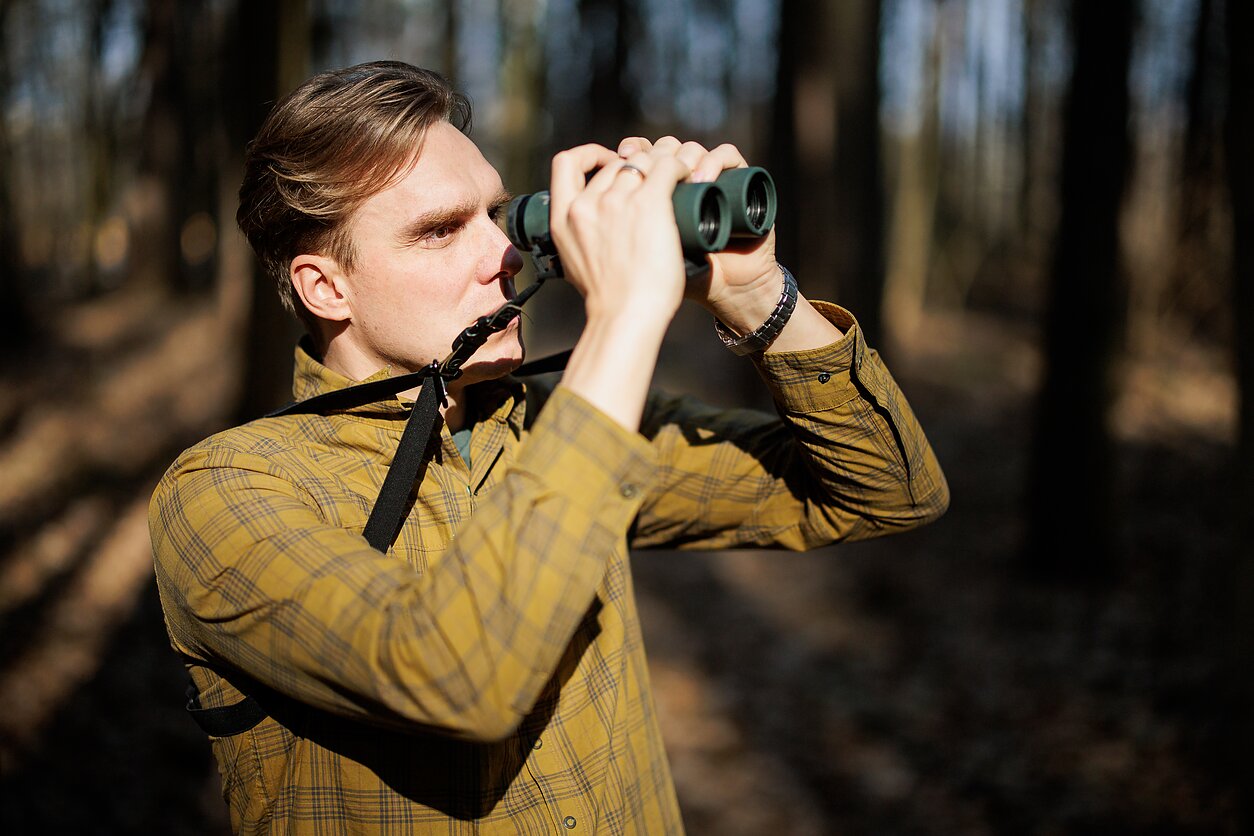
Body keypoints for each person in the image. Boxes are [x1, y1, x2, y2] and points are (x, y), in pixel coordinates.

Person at [149, 60, 948, 835]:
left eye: (498, 214)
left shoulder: (553, 421)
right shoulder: (225, 493)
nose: (501, 253)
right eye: (437, 231)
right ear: (327, 288)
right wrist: (625, 318)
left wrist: (758, 298)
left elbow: (888, 489)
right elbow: (458, 676)